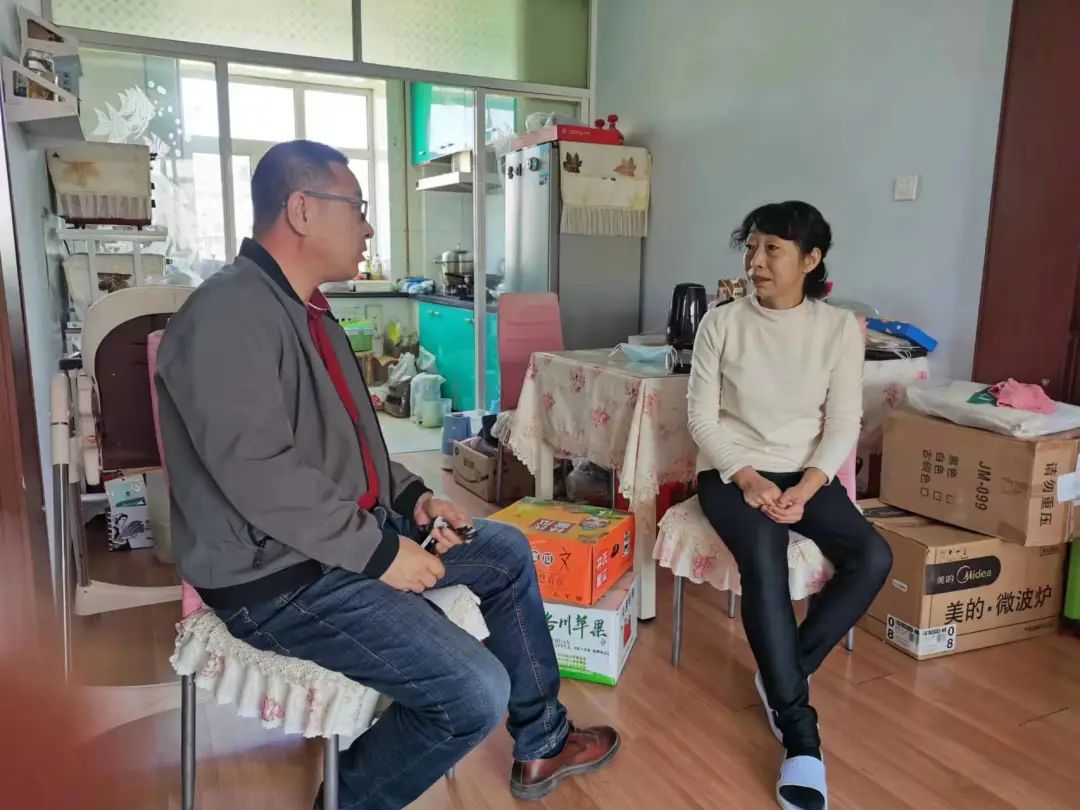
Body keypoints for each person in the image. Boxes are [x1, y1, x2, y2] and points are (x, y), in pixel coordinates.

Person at [155, 140, 619, 809]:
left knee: (505, 552)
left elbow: (347, 442)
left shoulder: (307, 309)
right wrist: (380, 554)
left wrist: (414, 497)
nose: (369, 227)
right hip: (279, 577)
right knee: (474, 692)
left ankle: (543, 741)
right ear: (302, 210)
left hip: (334, 540)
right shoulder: (228, 315)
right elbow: (260, 475)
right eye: (358, 208)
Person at [686, 201, 892, 810]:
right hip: (731, 471)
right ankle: (801, 736)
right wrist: (747, 478)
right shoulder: (721, 323)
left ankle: (782, 673)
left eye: (772, 249)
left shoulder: (838, 329)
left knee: (873, 557)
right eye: (751, 247)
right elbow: (701, 418)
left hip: (806, 472)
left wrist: (809, 484)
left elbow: (844, 420)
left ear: (811, 259)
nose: (755, 261)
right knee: (764, 553)